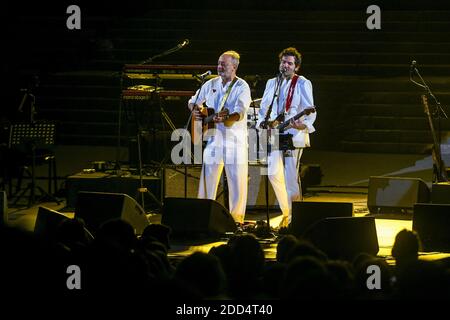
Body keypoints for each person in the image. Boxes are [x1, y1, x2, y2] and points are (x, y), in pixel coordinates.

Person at [188, 50, 251, 226]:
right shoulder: (210, 83)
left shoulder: (242, 86)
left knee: (237, 181)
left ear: (235, 66)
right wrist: (196, 111)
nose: (220, 66)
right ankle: (203, 216)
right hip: (214, 138)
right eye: (219, 63)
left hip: (235, 141)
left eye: (224, 64)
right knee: (208, 178)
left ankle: (236, 220)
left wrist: (226, 118)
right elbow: (193, 101)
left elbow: (239, 112)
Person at [256, 47, 317, 228]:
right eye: (283, 62)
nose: (286, 66)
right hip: (276, 132)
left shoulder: (302, 82)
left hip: (293, 134)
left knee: (291, 176)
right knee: (274, 173)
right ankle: (287, 212)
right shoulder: (271, 83)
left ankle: (295, 218)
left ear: (296, 67)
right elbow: (264, 108)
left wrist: (303, 124)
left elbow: (309, 108)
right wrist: (263, 123)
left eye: (290, 63)